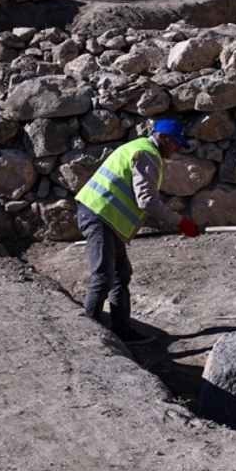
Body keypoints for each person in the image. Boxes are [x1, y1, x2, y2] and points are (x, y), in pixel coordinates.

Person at [75, 118, 199, 344]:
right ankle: (87, 340)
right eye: (175, 143)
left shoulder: (141, 148)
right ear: (162, 138)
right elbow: (148, 201)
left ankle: (122, 331)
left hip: (104, 216)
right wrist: (181, 222)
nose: (178, 149)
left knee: (121, 274)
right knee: (103, 277)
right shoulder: (147, 154)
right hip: (99, 215)